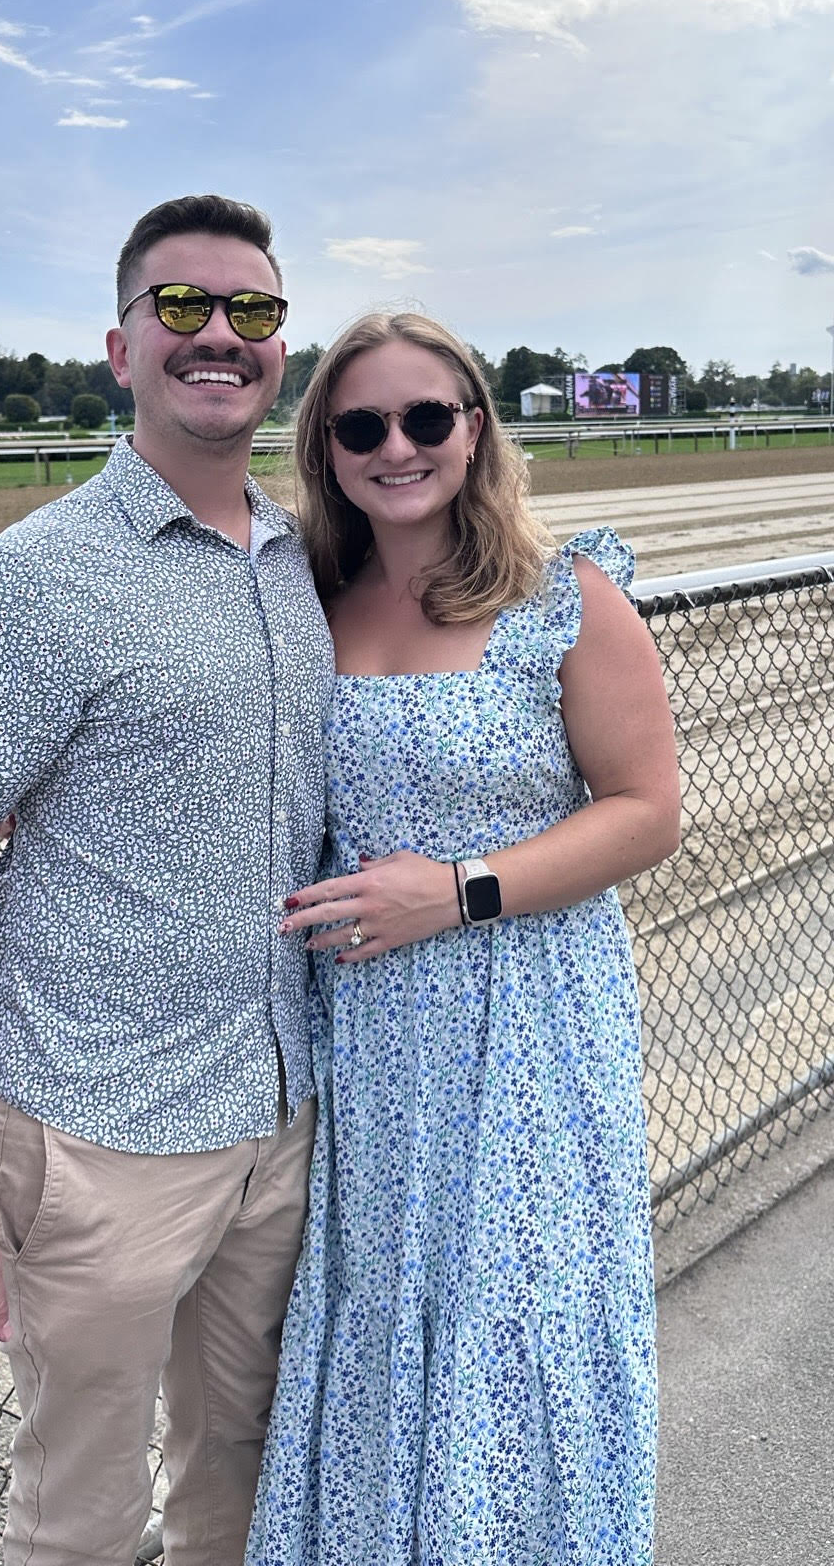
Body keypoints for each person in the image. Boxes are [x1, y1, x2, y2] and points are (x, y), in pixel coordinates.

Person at [0, 195, 334, 1566]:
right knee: (75, 1520)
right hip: (92, 1136)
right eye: (179, 306)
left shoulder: (304, 560)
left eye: (250, 312)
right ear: (120, 346)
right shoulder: (34, 586)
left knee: (240, 1488)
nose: (217, 336)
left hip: (279, 1111)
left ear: (278, 350)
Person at [246, 311, 681, 1566]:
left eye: (427, 417)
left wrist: (461, 888)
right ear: (326, 444)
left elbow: (647, 811)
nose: (399, 446)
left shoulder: (563, 598)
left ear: (474, 427)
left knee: (515, 1329)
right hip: (368, 1041)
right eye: (363, 423)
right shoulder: (302, 601)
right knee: (381, 1326)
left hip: (528, 1020)